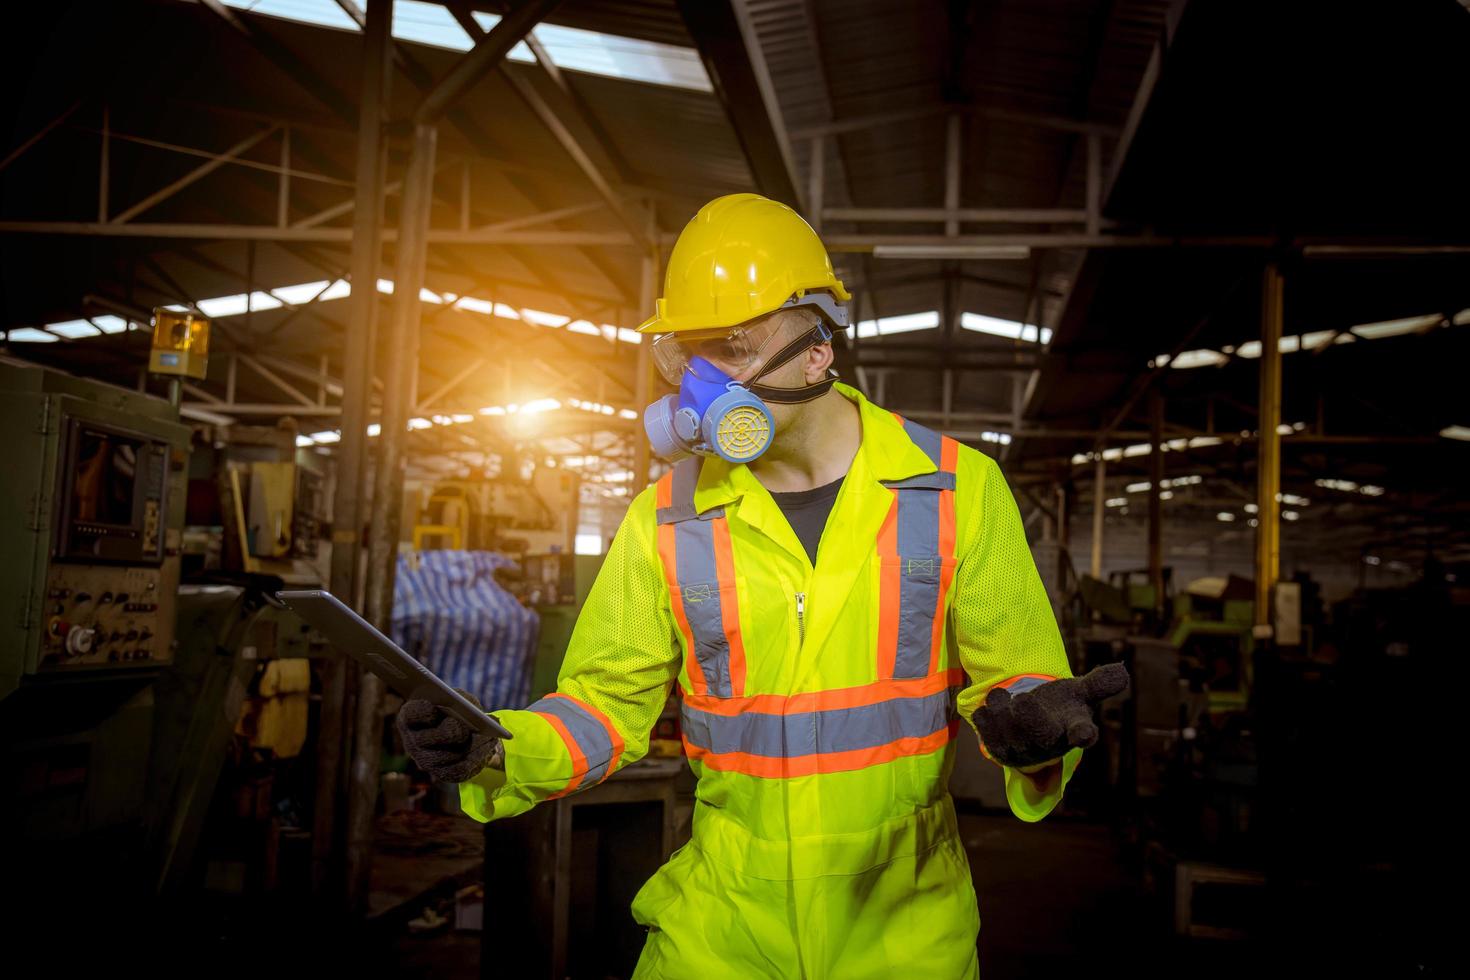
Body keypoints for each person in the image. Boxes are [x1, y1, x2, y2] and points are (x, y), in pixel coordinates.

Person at [398, 193, 1128, 978]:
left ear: (818, 351)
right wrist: (496, 750)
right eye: (692, 357)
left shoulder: (955, 489)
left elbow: (1023, 685)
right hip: (718, 929)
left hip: (904, 928)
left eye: (736, 348)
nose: (707, 383)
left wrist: (1035, 735)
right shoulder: (667, 517)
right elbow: (603, 705)